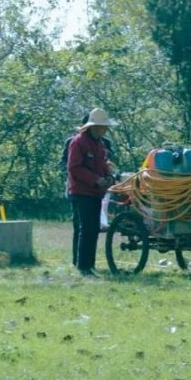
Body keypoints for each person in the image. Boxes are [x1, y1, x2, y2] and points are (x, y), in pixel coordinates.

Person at [67, 108, 118, 276]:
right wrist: (95, 179)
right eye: (102, 126)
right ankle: (83, 267)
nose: (105, 129)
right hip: (81, 192)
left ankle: (90, 265)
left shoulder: (100, 144)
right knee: (87, 229)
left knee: (93, 229)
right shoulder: (78, 142)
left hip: (95, 193)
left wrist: (109, 176)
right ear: (92, 127)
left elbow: (104, 165)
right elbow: (74, 168)